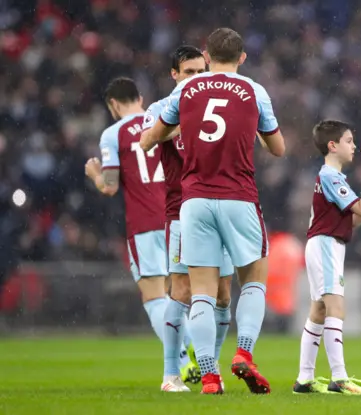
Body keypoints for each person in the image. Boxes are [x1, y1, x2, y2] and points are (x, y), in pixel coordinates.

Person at [142, 27, 285, 395]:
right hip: (238, 195)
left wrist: (177, 130)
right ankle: (245, 354)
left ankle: (208, 376)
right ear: (243, 57)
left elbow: (147, 140)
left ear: (207, 57)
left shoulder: (186, 91)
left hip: (193, 202)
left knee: (201, 293)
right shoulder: (254, 90)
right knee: (252, 279)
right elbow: (278, 148)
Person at [140, 45, 234, 392]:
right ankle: (170, 374)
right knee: (180, 291)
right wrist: (183, 115)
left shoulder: (218, 107)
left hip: (221, 206)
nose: (197, 78)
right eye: (189, 72)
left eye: (201, 71)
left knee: (223, 295)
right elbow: (147, 143)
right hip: (180, 210)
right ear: (174, 75)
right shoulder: (158, 109)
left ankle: (212, 367)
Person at [85, 77, 187, 374]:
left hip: (143, 223)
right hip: (177, 216)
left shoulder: (112, 134)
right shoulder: (163, 120)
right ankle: (200, 355)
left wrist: (94, 174)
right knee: (182, 293)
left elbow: (110, 186)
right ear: (140, 98)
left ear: (113, 104)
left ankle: (181, 358)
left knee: (154, 296)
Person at [293, 120, 361, 395]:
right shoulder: (331, 177)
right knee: (335, 308)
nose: (353, 146)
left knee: (319, 310)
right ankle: (339, 378)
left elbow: (353, 221)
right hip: (325, 245)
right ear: (333, 146)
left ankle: (304, 379)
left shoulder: (332, 178)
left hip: (324, 244)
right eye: (348, 140)